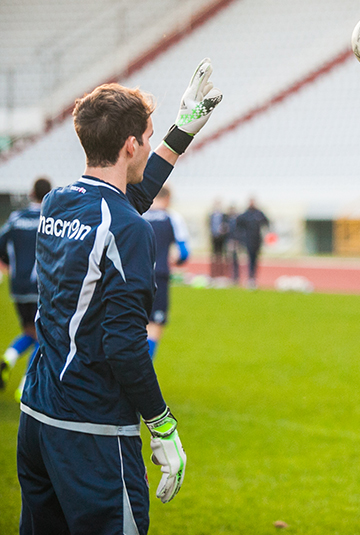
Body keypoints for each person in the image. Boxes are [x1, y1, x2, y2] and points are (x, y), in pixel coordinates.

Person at [17, 59, 221, 534]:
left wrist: (180, 132)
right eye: (148, 139)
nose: (150, 147)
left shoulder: (58, 201)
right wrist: (162, 425)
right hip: (94, 429)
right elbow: (125, 345)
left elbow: (128, 199)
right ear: (131, 145)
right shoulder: (127, 227)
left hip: (39, 415)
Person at [0, 176, 51, 401]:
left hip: (18, 286)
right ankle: (25, 385)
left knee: (29, 331)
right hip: (41, 286)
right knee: (43, 337)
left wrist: (10, 264)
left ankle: (7, 360)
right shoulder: (50, 218)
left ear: (32, 193)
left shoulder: (16, 218)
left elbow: (1, 245)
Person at [143, 186, 190, 359]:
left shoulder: (138, 214)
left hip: (135, 275)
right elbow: (184, 253)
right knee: (155, 324)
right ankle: (144, 372)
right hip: (159, 276)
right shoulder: (172, 218)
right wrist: (175, 260)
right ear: (168, 198)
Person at [235, 197, 269, 288]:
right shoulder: (245, 215)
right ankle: (250, 277)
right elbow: (238, 225)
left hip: (257, 240)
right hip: (248, 240)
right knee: (249, 258)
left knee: (256, 259)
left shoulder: (259, 214)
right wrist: (239, 239)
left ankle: (254, 277)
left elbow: (266, 223)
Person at [208, 198, 229, 281]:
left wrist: (223, 231)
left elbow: (226, 226)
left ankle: (221, 274)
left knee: (221, 256)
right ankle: (213, 274)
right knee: (214, 256)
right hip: (214, 237)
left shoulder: (224, 216)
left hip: (221, 238)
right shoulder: (211, 215)